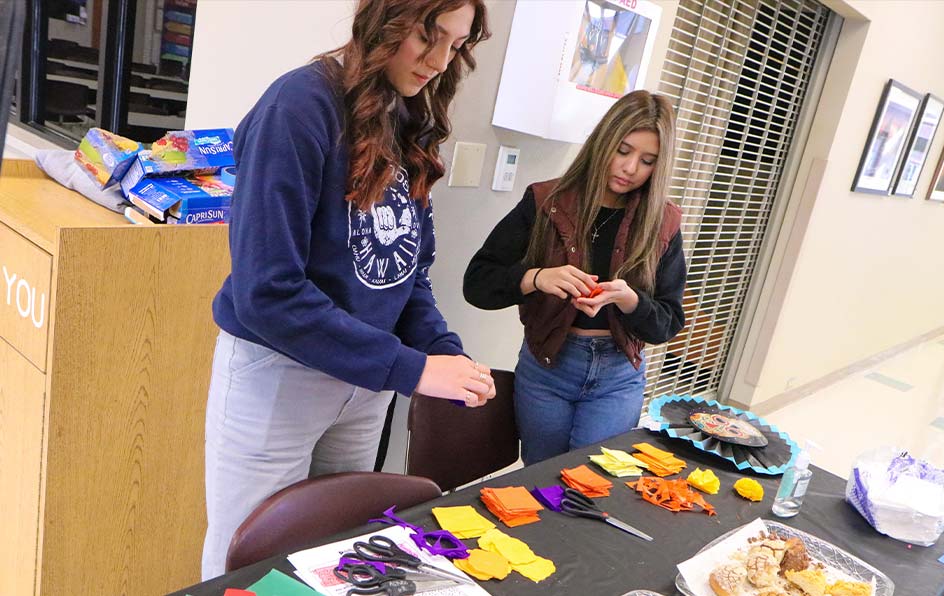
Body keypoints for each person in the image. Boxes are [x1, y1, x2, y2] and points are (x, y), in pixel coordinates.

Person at [202, 0, 492, 579]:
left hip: (365, 384)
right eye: (427, 35)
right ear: (386, 17)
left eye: (455, 45)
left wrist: (442, 350)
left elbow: (404, 273)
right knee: (247, 567)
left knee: (333, 560)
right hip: (280, 375)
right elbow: (267, 291)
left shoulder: (404, 114)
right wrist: (409, 369)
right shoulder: (298, 107)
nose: (438, 61)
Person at [464, 90, 686, 465]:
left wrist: (630, 300)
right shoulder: (546, 201)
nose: (630, 168)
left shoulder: (662, 222)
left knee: (591, 487)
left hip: (617, 376)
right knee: (539, 482)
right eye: (623, 150)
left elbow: (667, 323)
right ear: (603, 141)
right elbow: (478, 283)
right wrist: (535, 278)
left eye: (647, 161)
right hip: (547, 367)